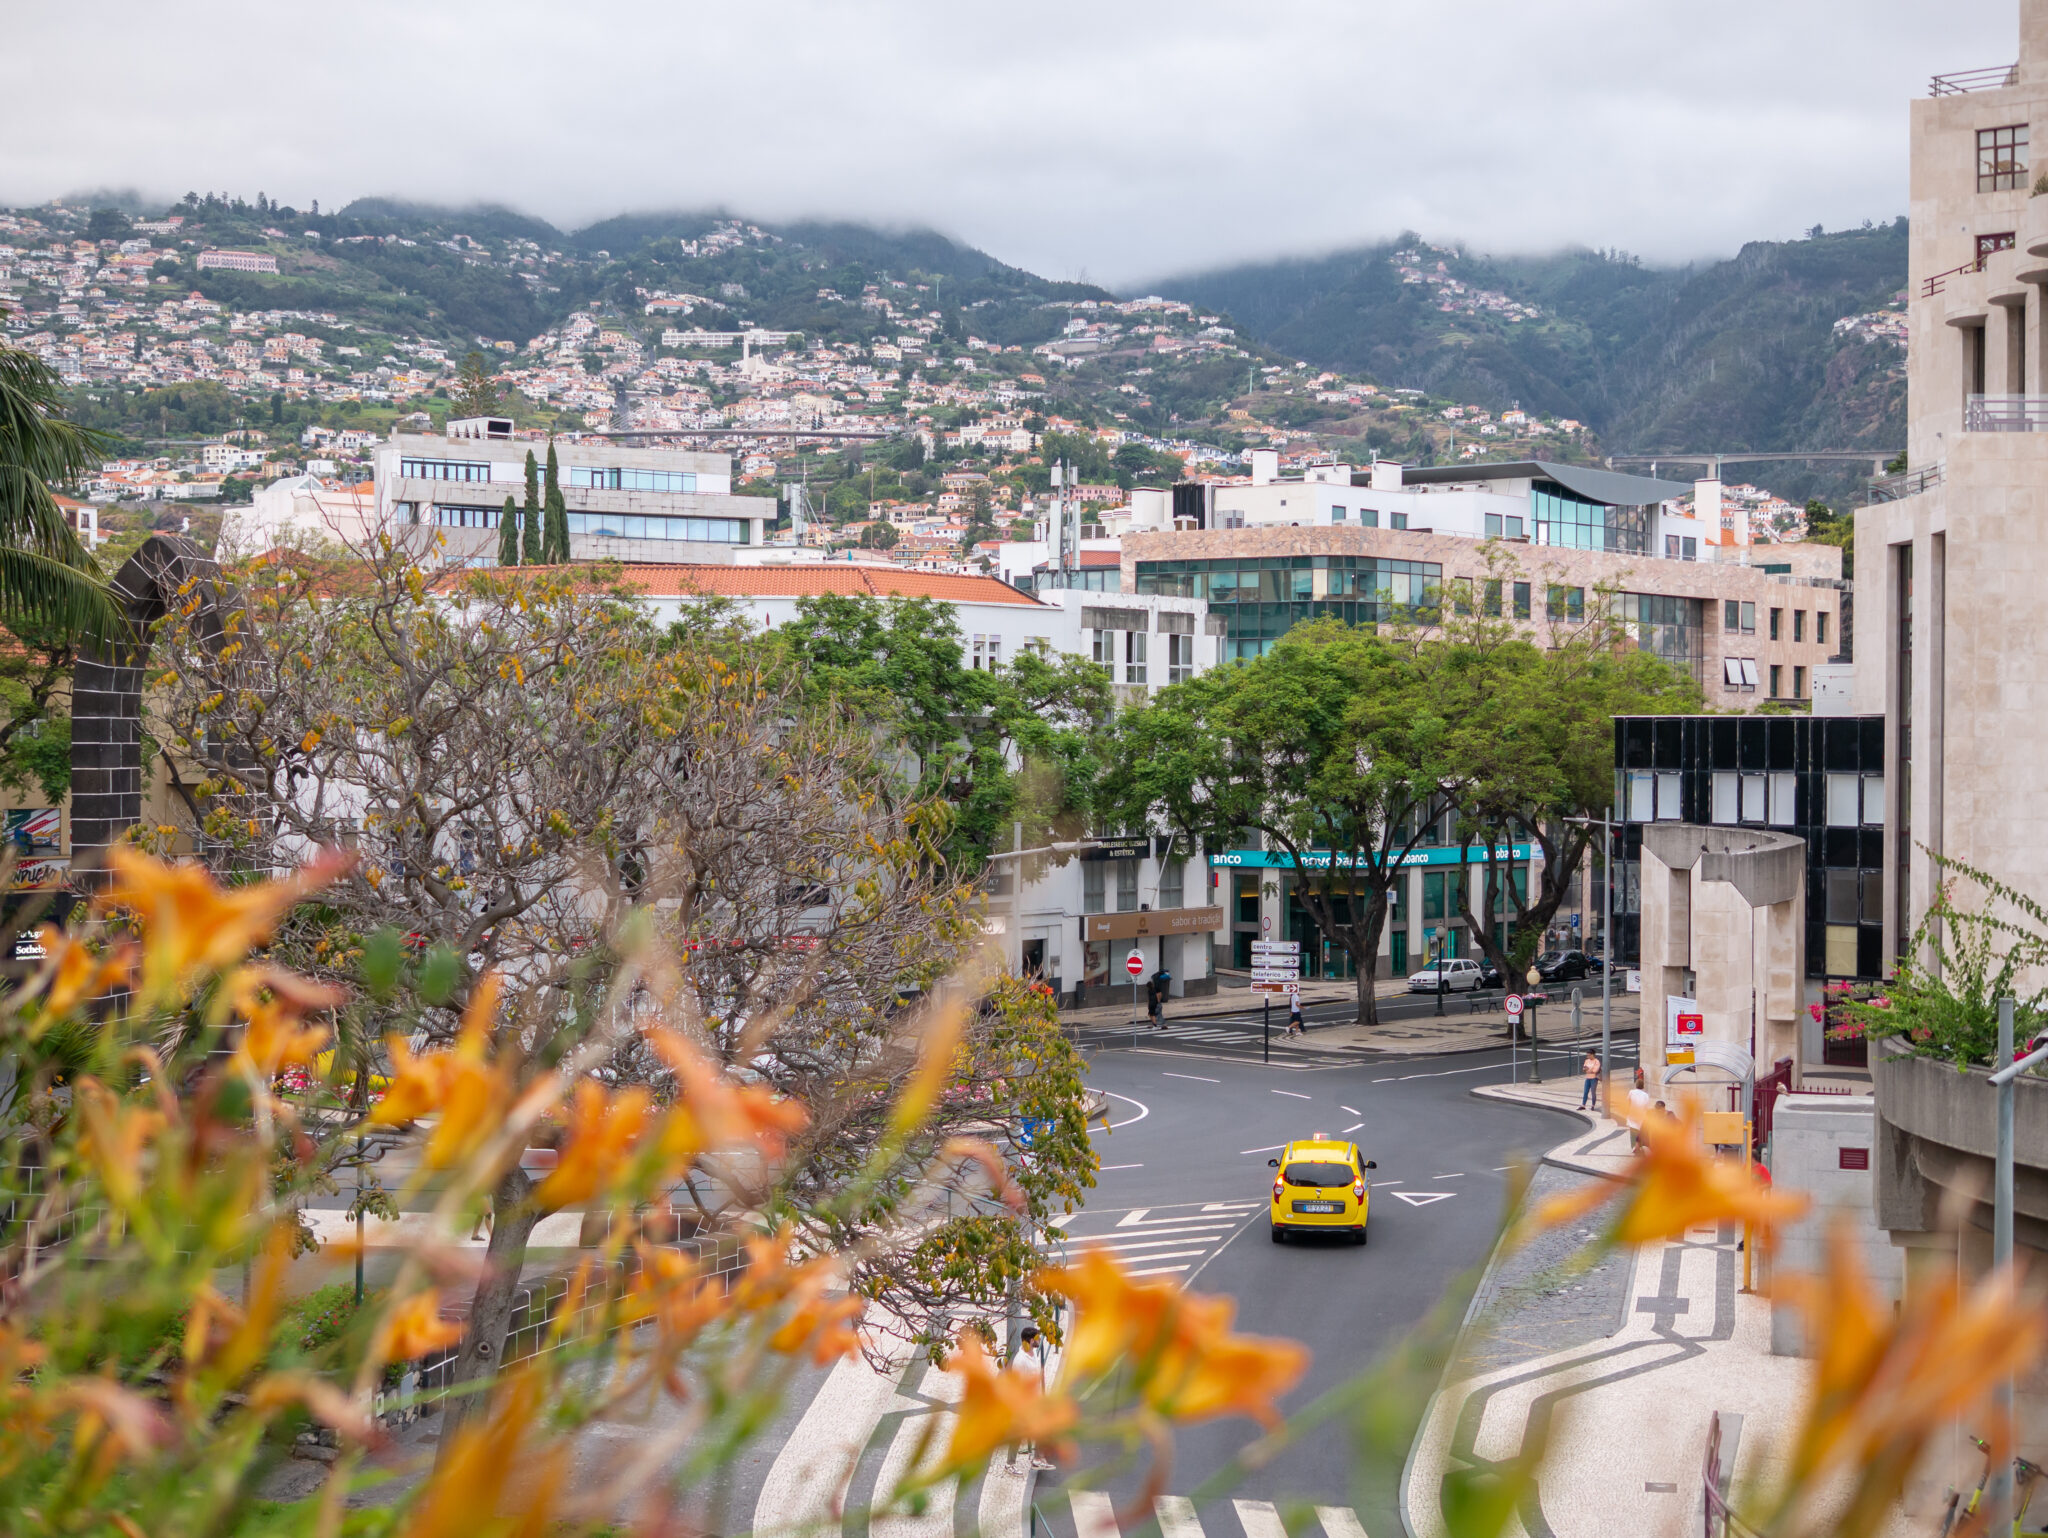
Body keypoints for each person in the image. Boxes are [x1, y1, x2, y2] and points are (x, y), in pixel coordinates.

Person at [1627, 1067, 1653, 1153]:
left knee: (1632, 1131)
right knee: (1640, 1130)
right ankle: (1640, 1145)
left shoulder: (1631, 1092)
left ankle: (1634, 1146)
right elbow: (1646, 1106)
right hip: (1641, 1115)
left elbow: (1628, 1101)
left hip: (1632, 1113)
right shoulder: (1646, 1095)